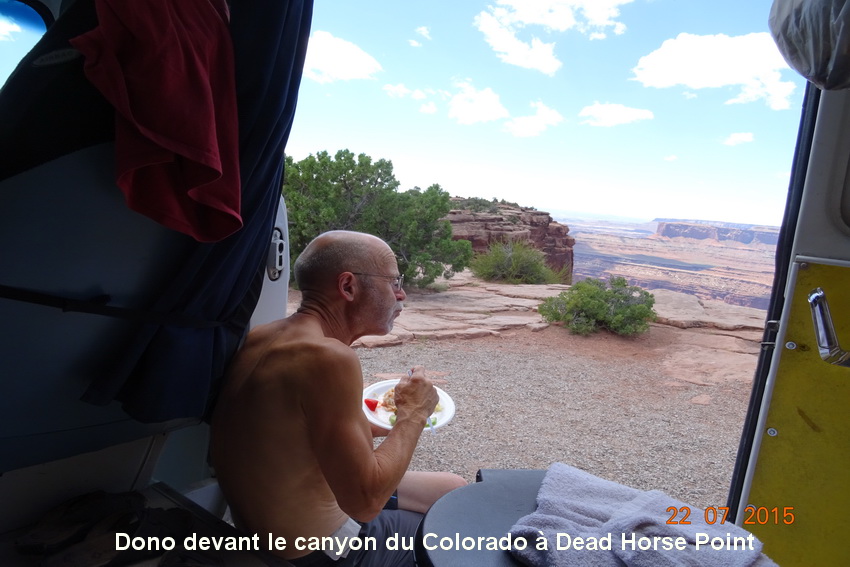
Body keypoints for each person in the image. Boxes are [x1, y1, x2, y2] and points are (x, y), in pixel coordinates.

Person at [210, 230, 467, 566]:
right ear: (348, 287)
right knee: (456, 530)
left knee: (454, 488)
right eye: (394, 282)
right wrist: (414, 413)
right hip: (312, 552)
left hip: (260, 529)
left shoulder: (264, 335)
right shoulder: (328, 358)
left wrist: (383, 420)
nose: (401, 294)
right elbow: (366, 503)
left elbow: (295, 435)